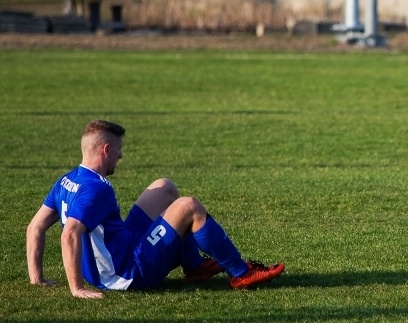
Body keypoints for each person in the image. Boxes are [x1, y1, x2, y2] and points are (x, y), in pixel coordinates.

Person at [26, 120, 285, 299]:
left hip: (120, 251)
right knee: (189, 206)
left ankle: (194, 266)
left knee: (165, 188)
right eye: (119, 149)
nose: (121, 156)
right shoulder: (97, 189)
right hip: (127, 273)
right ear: (106, 150)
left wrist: (36, 278)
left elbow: (35, 227)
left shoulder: (67, 180)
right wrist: (76, 288)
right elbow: (70, 233)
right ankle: (241, 274)